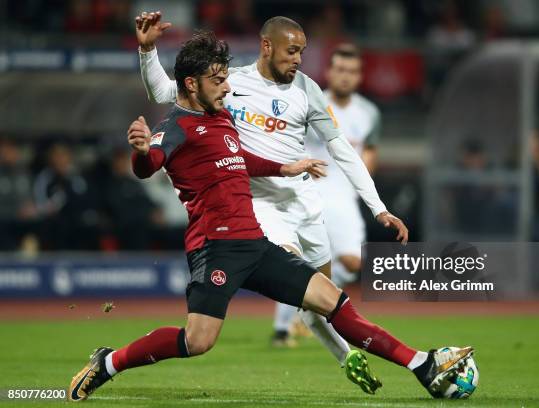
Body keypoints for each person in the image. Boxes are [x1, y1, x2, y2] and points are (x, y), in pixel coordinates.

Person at [68, 31, 473, 402]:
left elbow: (235, 158)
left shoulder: (221, 116)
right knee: (198, 341)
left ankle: (421, 364)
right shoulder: (175, 127)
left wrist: (283, 167)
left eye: (226, 77)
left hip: (255, 243)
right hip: (215, 248)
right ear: (191, 84)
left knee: (334, 303)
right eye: (217, 80)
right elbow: (150, 163)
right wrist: (140, 152)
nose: (227, 87)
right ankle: (109, 362)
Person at [136, 11, 408, 392]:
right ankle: (346, 355)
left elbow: (343, 150)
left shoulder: (308, 90)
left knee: (321, 301)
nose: (298, 58)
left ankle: (348, 354)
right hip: (259, 207)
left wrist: (377, 206)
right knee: (293, 279)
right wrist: (147, 51)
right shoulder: (231, 84)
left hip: (305, 204)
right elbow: (166, 93)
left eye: (301, 51)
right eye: (292, 50)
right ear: (267, 46)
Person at [276, 44, 381, 340]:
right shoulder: (310, 100)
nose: (345, 76)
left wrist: (360, 185)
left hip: (343, 195)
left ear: (359, 76)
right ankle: (283, 328)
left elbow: (370, 152)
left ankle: (303, 312)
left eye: (352, 71)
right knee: (298, 258)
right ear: (329, 72)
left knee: (351, 262)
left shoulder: (369, 112)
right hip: (310, 188)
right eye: (340, 69)